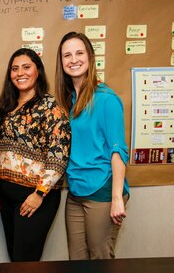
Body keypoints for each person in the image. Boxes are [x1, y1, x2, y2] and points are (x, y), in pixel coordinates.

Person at [0, 48, 71, 262]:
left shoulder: (51, 108)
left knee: (26, 261)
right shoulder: (6, 107)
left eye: (26, 67)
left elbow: (58, 157)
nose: (20, 73)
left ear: (38, 71)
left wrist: (39, 194)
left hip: (35, 197)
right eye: (15, 69)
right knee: (15, 258)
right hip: (6, 196)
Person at [55, 32, 130, 260]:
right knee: (76, 260)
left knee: (100, 258)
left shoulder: (106, 98)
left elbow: (118, 150)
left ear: (90, 57)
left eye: (79, 53)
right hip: (76, 191)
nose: (73, 59)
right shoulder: (70, 100)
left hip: (102, 189)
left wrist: (117, 197)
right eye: (67, 55)